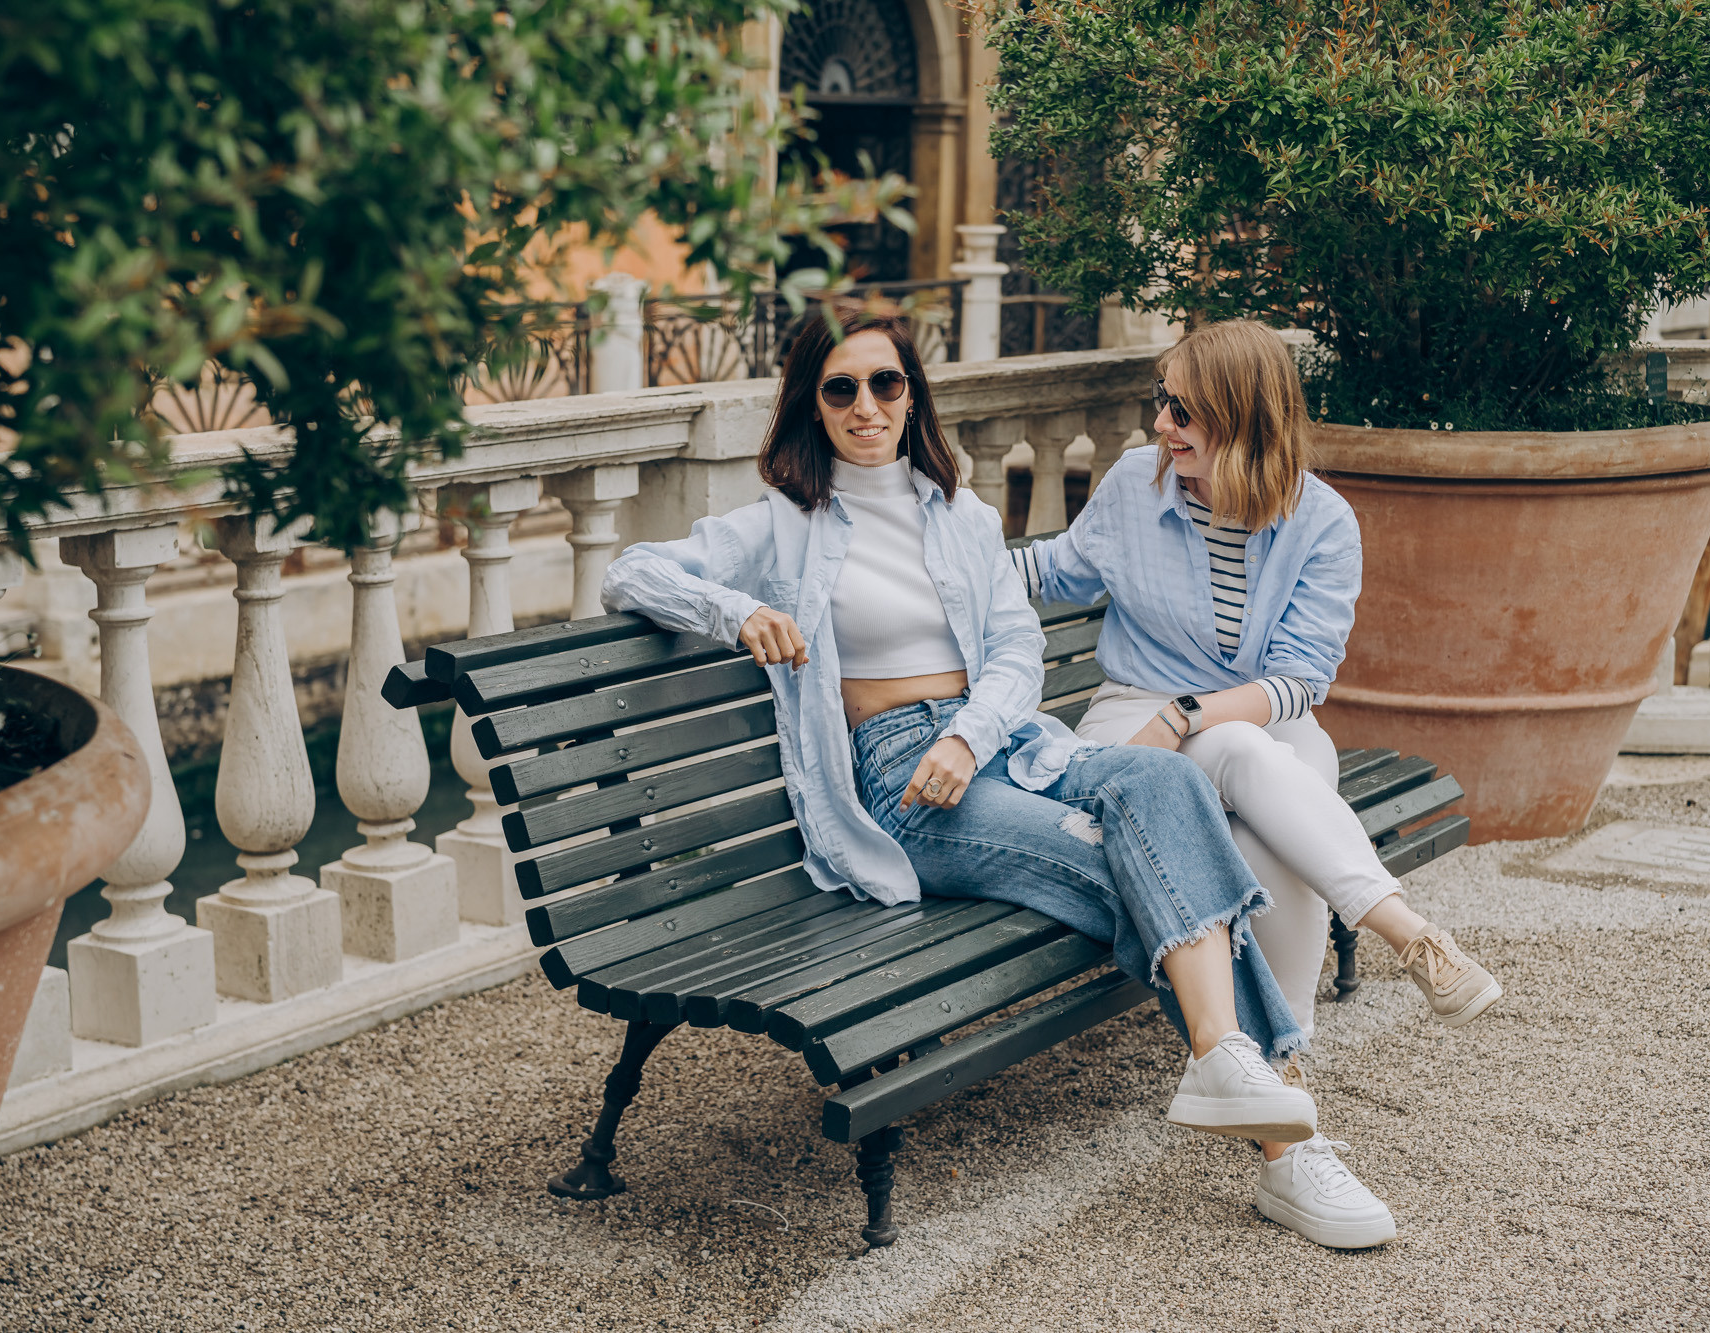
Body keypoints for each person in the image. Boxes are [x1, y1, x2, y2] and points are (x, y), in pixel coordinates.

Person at [603, 303, 1398, 1250]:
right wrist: (734, 611)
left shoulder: (961, 517)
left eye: (886, 383)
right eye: (841, 388)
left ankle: (1226, 1058)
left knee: (1168, 787)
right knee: (1142, 863)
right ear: (812, 404)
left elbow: (1018, 648)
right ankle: (1285, 1144)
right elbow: (632, 570)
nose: (866, 406)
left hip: (999, 745)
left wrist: (970, 736)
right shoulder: (783, 524)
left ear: (913, 395)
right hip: (903, 780)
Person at [1010, 318, 1503, 1236]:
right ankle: (1406, 939)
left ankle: (1285, 1107)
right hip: (1134, 718)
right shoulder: (1135, 486)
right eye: (1160, 399)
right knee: (1255, 775)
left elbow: (1299, 681)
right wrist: (930, 561)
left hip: (1262, 724)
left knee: (1268, 815)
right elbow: (1054, 570)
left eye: (1183, 408)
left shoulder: (1321, 521)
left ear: (1245, 416)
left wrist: (1192, 713)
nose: (1161, 423)